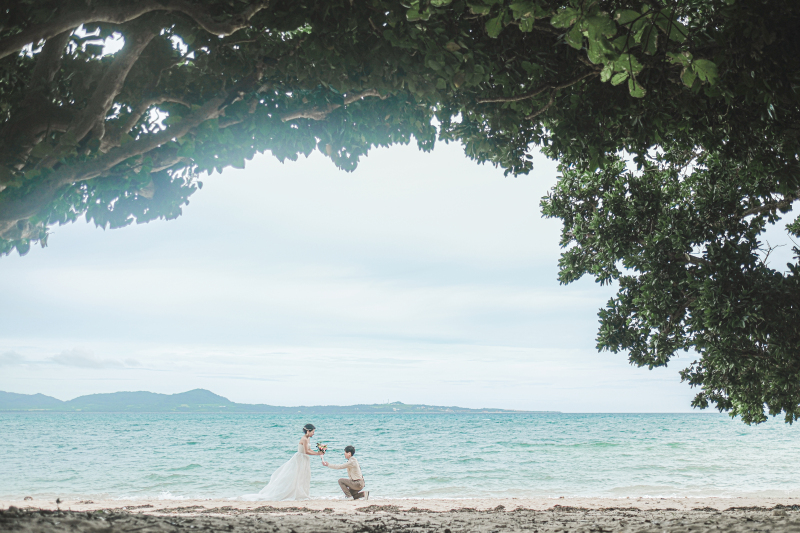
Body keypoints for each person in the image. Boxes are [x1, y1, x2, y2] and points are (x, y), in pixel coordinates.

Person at [242, 423, 325, 501]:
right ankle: (296, 493)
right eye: (313, 432)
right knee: (297, 476)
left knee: (304, 476)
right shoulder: (304, 439)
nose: (313, 433)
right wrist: (318, 453)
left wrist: (319, 453)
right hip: (300, 458)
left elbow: (309, 449)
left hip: (305, 459)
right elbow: (306, 451)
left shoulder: (308, 438)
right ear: (308, 431)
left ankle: (302, 493)